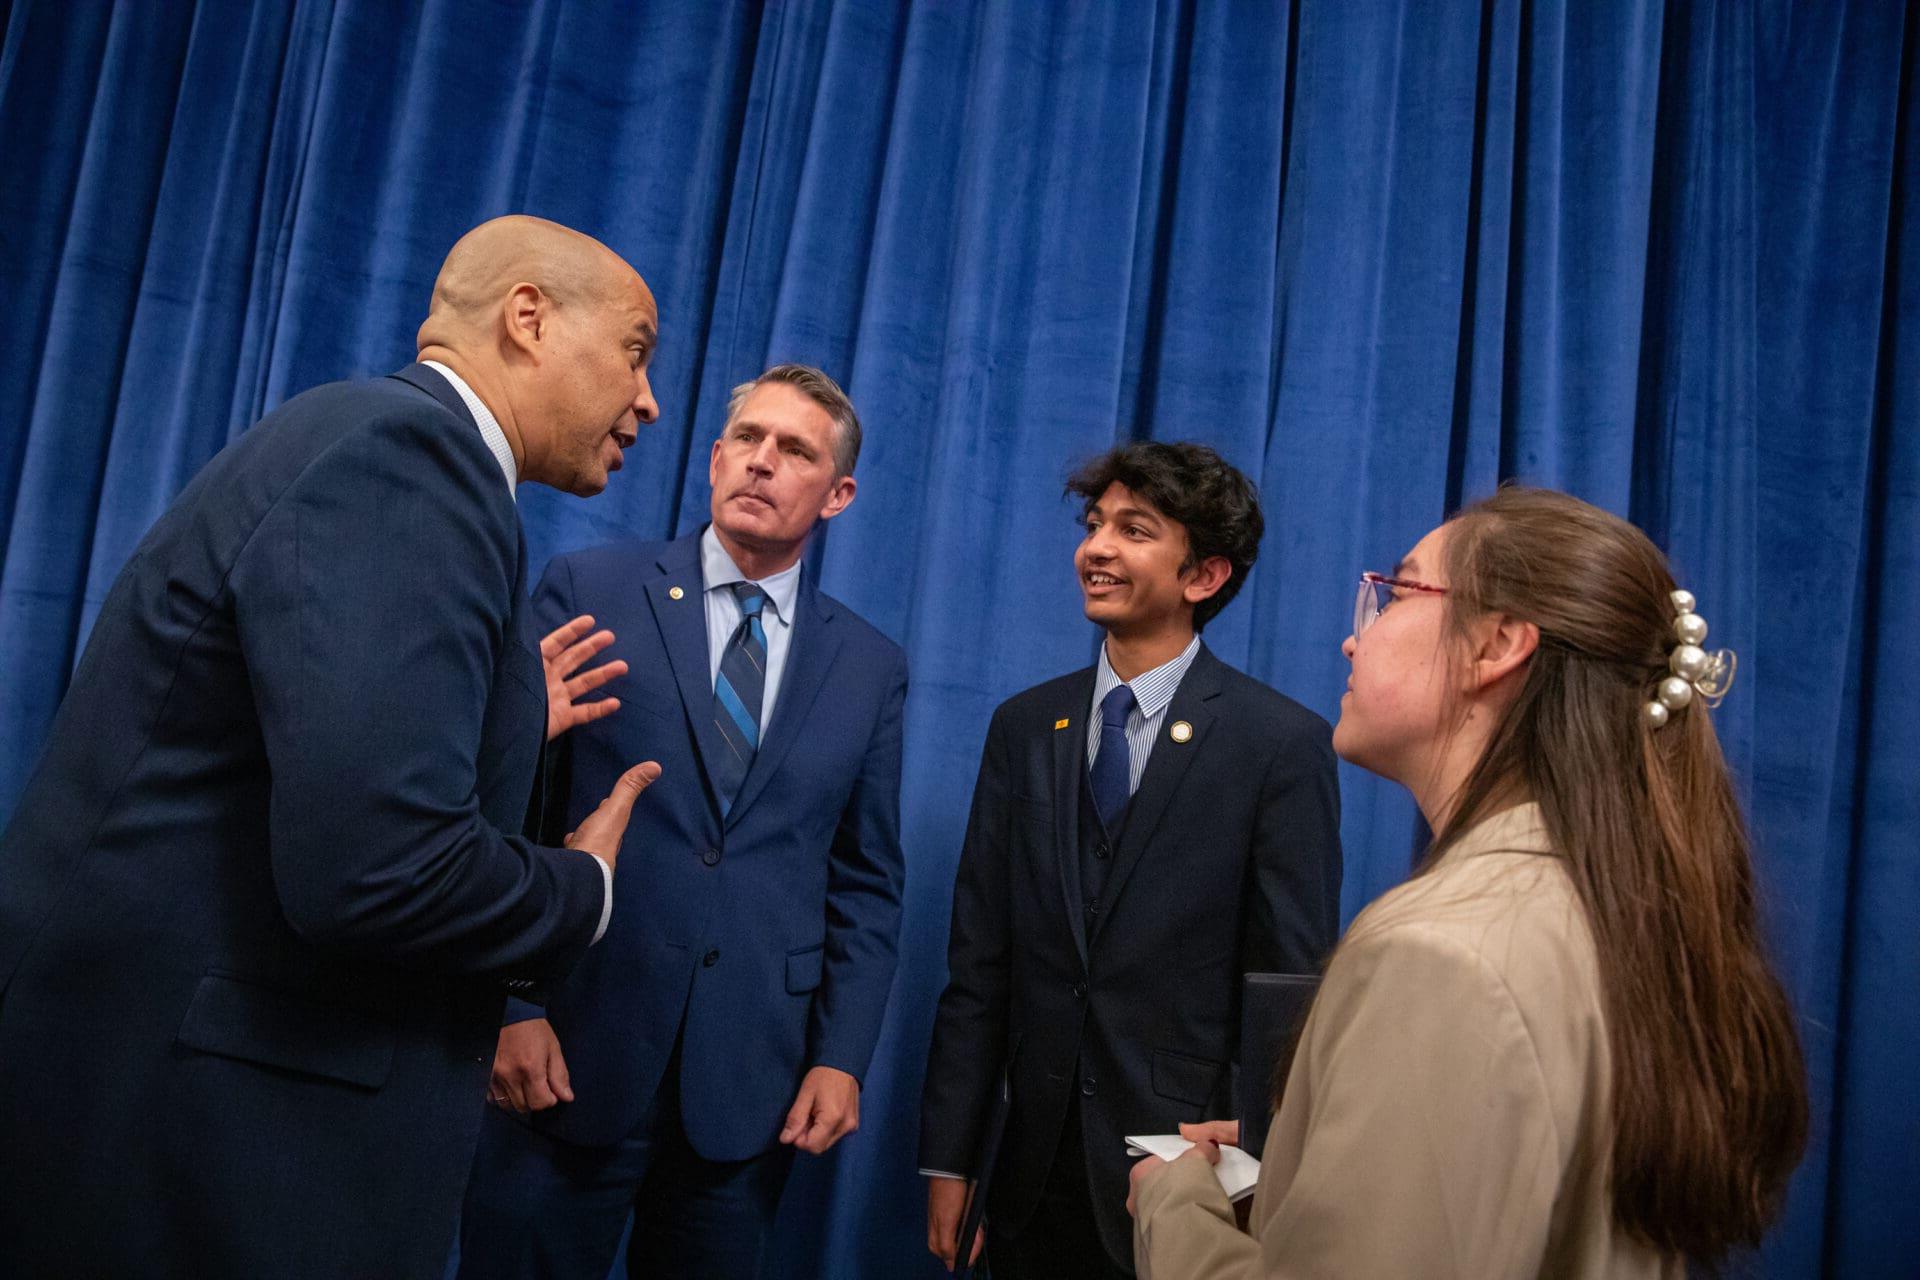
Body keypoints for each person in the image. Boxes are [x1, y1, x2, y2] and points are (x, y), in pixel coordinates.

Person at [0, 216, 666, 1279]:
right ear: (528, 319)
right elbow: (381, 868)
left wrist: (492, 720)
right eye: (636, 350)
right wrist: (581, 887)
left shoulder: (378, 444)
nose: (648, 398)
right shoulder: (415, 459)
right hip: (206, 1140)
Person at [1127, 486, 1809, 1278]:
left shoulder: (1441, 958)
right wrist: (1296, 1162)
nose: (1356, 641)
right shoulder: (1602, 906)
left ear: (1495, 646)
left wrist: (1176, 1202)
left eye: (1395, 593)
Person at [456, 363, 908, 1280]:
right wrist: (510, 1002)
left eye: (794, 451)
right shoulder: (590, 587)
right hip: (570, 1053)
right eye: (748, 440)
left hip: (750, 1086)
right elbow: (509, 804)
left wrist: (843, 1057)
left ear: (839, 494)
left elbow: (865, 880)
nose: (762, 463)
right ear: (713, 458)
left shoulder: (868, 664)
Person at [920, 442, 1343, 1279]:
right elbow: (981, 963)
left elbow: (1286, 990)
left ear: (1205, 577)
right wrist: (952, 1158)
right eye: (1094, 524)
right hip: (1027, 1173)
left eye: (1134, 529)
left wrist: (1246, 1173)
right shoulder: (1023, 727)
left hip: (1184, 1182)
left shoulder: (1278, 746)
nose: (1097, 548)